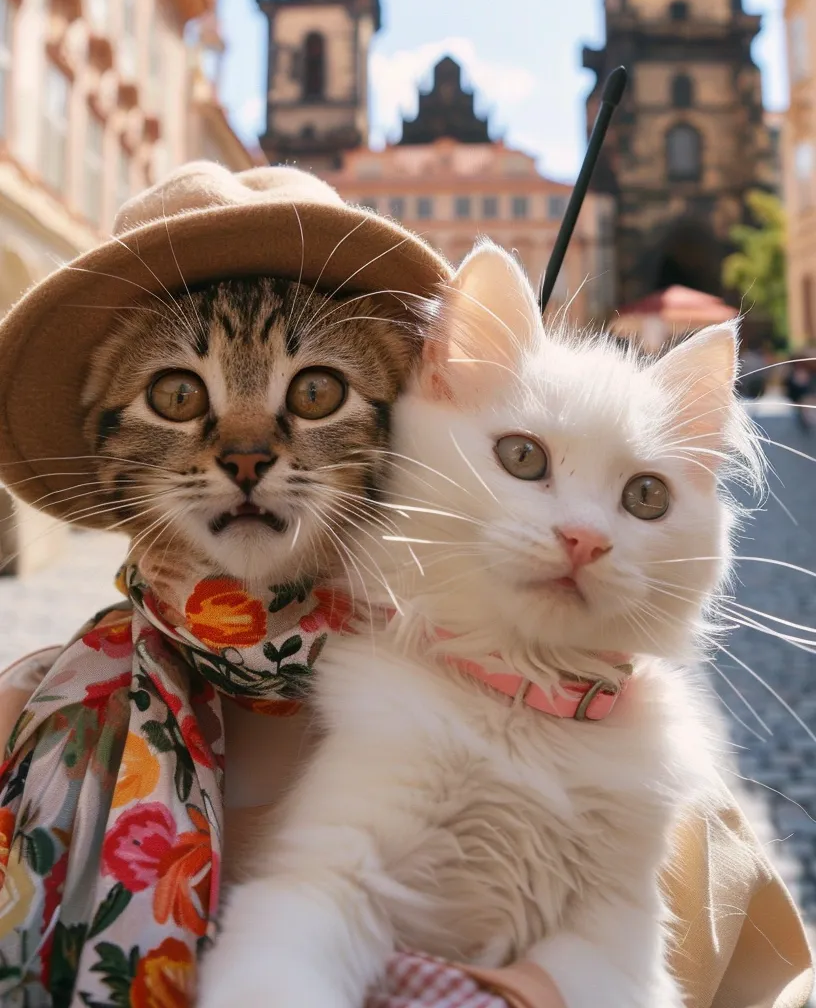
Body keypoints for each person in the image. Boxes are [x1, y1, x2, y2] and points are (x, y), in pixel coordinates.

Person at [0, 162, 811, 1008]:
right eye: (176, 394)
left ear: (407, 417)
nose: (246, 451)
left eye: (316, 391)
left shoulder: (602, 730)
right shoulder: (30, 717)